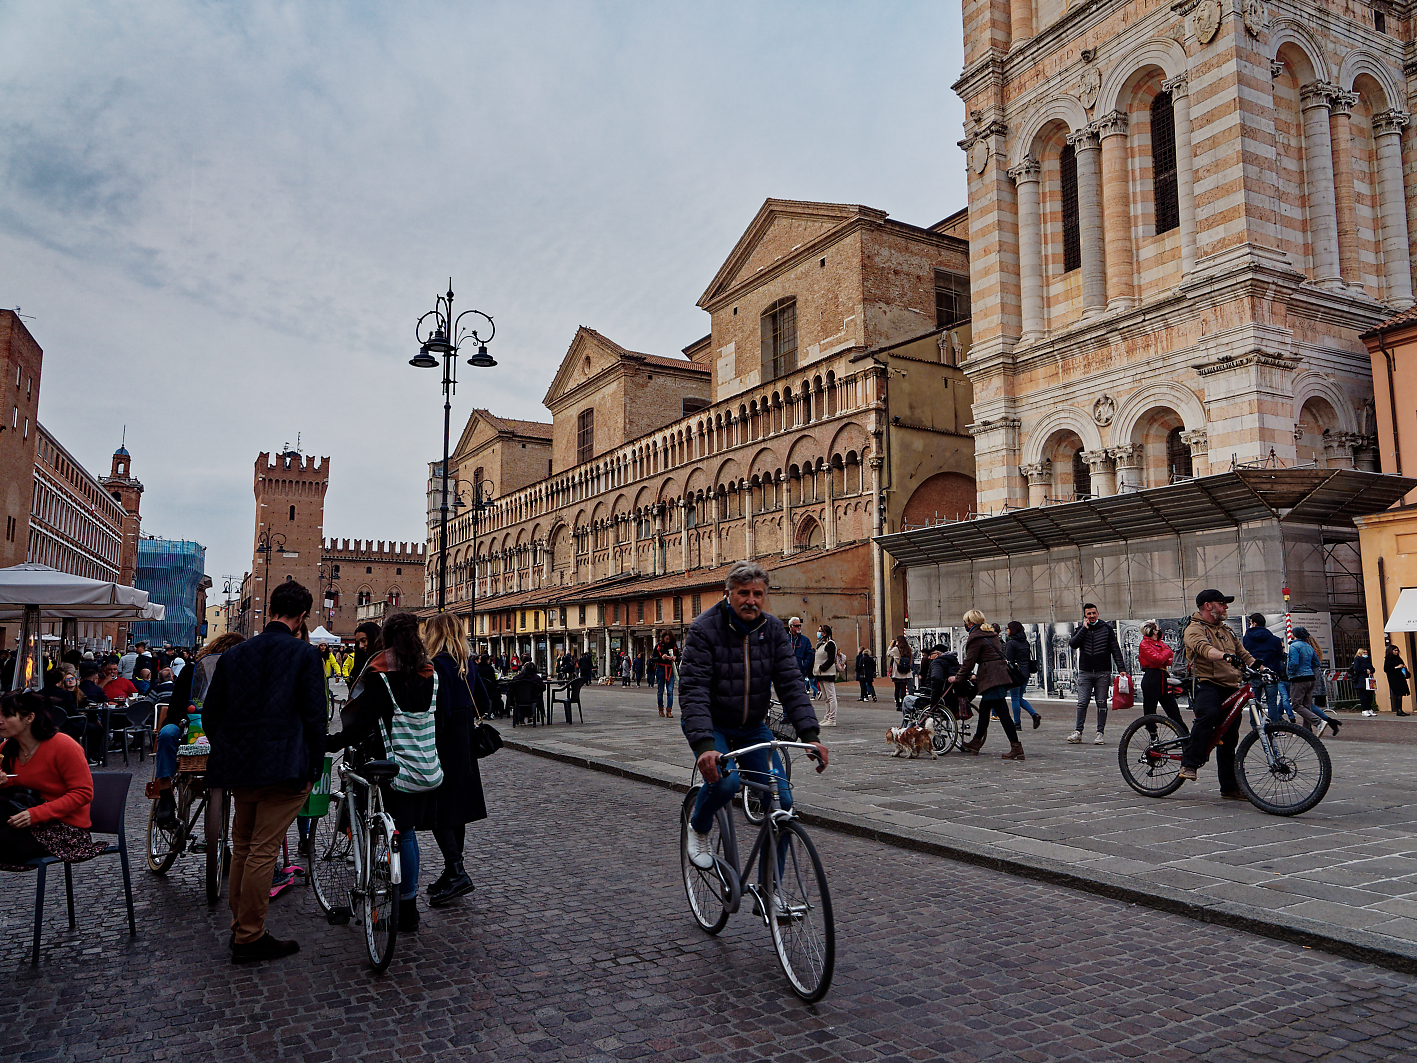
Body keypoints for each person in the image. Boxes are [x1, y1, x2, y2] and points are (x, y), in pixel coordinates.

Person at [203, 581, 326, 964]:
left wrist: (231, 747)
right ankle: (249, 936)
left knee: (243, 845)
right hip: (284, 767)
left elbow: (211, 714)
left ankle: (240, 925)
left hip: (241, 768)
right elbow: (315, 718)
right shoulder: (305, 655)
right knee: (263, 849)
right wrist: (314, 766)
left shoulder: (234, 654)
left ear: (270, 609)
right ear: (302, 617)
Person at [679, 561, 828, 870]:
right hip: (714, 726)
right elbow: (694, 691)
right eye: (743, 593)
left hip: (752, 727)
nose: (751, 600)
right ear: (728, 593)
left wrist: (810, 736)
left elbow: (791, 684)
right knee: (726, 784)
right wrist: (705, 746)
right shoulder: (704, 629)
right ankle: (699, 825)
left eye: (758, 594)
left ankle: (771, 888)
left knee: (783, 803)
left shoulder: (772, 630)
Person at [329, 612, 440, 932]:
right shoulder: (430, 675)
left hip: (390, 767)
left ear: (386, 640)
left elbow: (359, 725)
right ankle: (408, 905)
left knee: (393, 830)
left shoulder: (380, 677)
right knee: (407, 834)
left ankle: (403, 911)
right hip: (423, 765)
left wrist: (332, 742)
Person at [421, 613, 488, 908]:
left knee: (438, 810)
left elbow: (440, 711)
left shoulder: (437, 665)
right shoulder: (466, 663)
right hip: (465, 742)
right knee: (457, 810)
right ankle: (451, 871)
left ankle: (457, 871)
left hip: (445, 742)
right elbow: (485, 701)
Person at [0, 690, 107, 868]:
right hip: (24, 819)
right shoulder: (7, 749)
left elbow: (83, 793)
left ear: (29, 718)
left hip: (65, 830)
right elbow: (17, 786)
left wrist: (35, 814)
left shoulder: (63, 746)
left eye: (7, 716)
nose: (0, 721)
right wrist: (4, 782)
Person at [154, 633, 245, 828]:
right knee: (167, 734)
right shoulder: (191, 670)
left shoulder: (239, 675)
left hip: (221, 729)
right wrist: (182, 720)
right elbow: (175, 707)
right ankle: (165, 794)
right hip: (188, 723)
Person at [1177, 589, 1257, 797]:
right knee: (1209, 715)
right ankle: (1189, 763)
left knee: (1229, 737)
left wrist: (1263, 669)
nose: (1226, 607)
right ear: (1208, 606)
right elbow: (1203, 649)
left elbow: (1243, 654)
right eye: (1222, 603)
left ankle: (1230, 787)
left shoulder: (1226, 630)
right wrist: (1224, 656)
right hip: (1207, 683)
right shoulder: (1194, 629)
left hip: (1230, 685)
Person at [951, 612, 1025, 760]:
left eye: (965, 622)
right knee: (985, 710)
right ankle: (976, 742)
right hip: (997, 676)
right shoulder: (991, 634)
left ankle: (1016, 747)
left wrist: (958, 678)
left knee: (1002, 713)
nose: (965, 625)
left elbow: (969, 662)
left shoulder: (975, 637)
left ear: (970, 623)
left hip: (991, 679)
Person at [1067, 603, 1125, 745]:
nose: (1092, 616)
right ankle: (1078, 732)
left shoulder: (1106, 629)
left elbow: (1115, 649)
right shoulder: (1080, 629)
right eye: (1089, 614)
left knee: (1101, 703)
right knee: (1082, 702)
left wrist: (1121, 668)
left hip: (1102, 672)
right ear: (1085, 616)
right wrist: (1084, 628)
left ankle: (1100, 733)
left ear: (1098, 613)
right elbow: (1073, 644)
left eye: (1094, 613)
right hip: (1085, 672)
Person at [1287, 627, 1340, 735]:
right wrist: (1307, 667)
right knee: (1306, 705)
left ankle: (1318, 722)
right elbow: (1316, 663)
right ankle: (1306, 731)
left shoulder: (1294, 646)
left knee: (1296, 705)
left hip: (1299, 678)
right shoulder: (1309, 646)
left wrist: (1290, 672)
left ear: (1295, 634)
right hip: (1310, 678)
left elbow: (1294, 662)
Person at [1138, 621, 1187, 734]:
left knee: (1173, 709)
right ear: (1153, 631)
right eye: (1157, 628)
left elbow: (1171, 659)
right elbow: (1158, 659)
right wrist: (1166, 653)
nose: (1159, 630)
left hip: (1163, 677)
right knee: (1150, 710)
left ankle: (1183, 733)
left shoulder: (1160, 643)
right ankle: (1153, 735)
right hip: (1152, 677)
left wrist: (1164, 657)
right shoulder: (1144, 644)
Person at [1242, 614, 1285, 722]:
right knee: (1272, 702)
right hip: (1270, 674)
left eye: (1251, 623)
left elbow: (1244, 655)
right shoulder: (1275, 640)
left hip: (1254, 673)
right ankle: (1274, 726)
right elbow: (1281, 656)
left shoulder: (1246, 639)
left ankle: (1256, 726)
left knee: (1254, 702)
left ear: (1255, 624)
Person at [1003, 621, 1041, 729]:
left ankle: (1017, 723)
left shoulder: (1011, 643)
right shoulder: (1025, 642)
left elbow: (1009, 660)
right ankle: (1034, 715)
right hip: (1025, 673)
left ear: (1012, 630)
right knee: (1019, 698)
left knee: (1015, 698)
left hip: (1015, 674)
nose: (1007, 630)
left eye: (1008, 628)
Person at [812, 623, 839, 726]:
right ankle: (827, 716)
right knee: (826, 697)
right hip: (821, 674)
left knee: (831, 696)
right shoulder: (821, 644)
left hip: (827, 673)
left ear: (825, 633)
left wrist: (822, 667)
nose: (818, 633)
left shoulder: (830, 643)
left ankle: (832, 719)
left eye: (820, 631)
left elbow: (831, 659)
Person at [650, 633, 678, 719]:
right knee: (660, 690)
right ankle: (661, 709)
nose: (668, 641)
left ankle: (669, 710)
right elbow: (652, 658)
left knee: (670, 691)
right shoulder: (658, 646)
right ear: (663, 638)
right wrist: (661, 658)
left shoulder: (674, 646)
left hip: (670, 669)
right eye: (666, 639)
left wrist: (675, 658)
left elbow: (679, 656)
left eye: (669, 639)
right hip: (661, 668)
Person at [787, 617, 816, 700]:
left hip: (800, 672)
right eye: (796, 626)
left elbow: (809, 655)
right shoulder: (785, 639)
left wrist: (804, 666)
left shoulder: (805, 640)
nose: (799, 627)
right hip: (787, 672)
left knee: (798, 694)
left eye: (800, 625)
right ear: (791, 626)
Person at [887, 635, 914, 710]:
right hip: (906, 671)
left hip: (897, 672)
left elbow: (888, 654)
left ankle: (898, 704)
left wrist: (891, 645)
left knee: (897, 688)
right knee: (903, 689)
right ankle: (903, 704)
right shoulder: (908, 649)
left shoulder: (896, 649)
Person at [1384, 643, 1410, 716]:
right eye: (1395, 650)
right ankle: (1398, 710)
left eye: (1397, 650)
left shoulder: (1398, 658)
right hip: (1394, 679)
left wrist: (1403, 667)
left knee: (1401, 694)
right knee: (1397, 693)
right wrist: (1396, 667)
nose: (1396, 652)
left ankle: (1400, 709)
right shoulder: (1388, 659)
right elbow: (1386, 669)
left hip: (1400, 677)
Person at [1348, 648, 1377, 715]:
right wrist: (1365, 670)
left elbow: (1372, 668)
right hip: (1361, 680)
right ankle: (1364, 709)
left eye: (1366, 652)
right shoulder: (1357, 659)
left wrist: (1371, 671)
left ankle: (1369, 708)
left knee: (1370, 695)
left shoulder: (1368, 660)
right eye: (1364, 652)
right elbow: (1356, 668)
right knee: (1363, 695)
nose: (1366, 654)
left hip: (1369, 679)